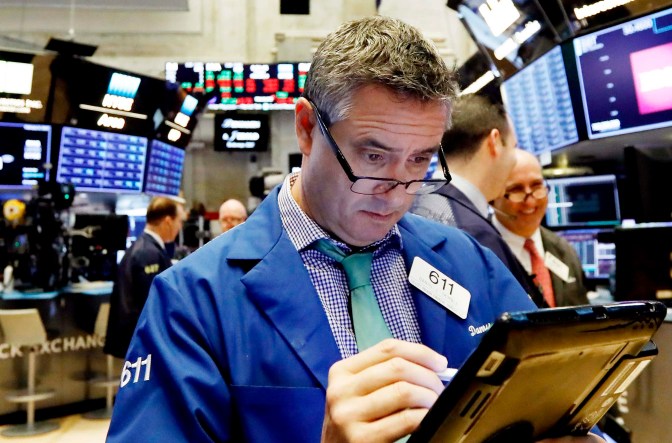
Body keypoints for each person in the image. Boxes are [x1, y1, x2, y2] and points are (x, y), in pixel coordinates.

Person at [107, 17, 604, 443]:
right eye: (372, 155)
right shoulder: (193, 299)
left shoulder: (468, 262)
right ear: (306, 128)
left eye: (419, 160)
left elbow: (549, 400)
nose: (396, 191)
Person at [410, 93, 546, 308]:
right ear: (494, 142)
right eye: (513, 146)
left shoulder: (413, 204)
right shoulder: (472, 232)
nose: (513, 160)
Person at [492, 150, 589, 308]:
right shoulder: (482, 252)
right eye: (516, 189)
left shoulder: (564, 250)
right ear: (493, 195)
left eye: (537, 186)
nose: (530, 202)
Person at [103, 196, 186, 359]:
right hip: (141, 340)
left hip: (136, 337)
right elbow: (152, 303)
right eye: (179, 221)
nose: (180, 227)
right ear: (168, 221)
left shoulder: (143, 247)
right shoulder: (148, 253)